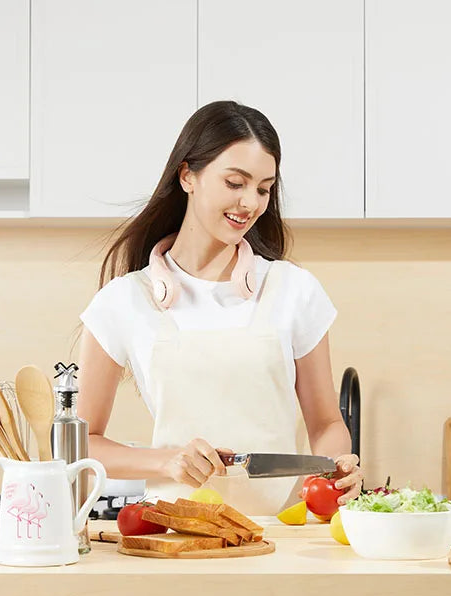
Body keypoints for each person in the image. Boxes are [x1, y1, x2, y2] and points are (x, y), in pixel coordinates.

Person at [77, 100, 362, 515]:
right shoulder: (122, 301)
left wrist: (335, 468)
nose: (250, 202)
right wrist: (166, 460)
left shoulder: (293, 290)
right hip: (175, 531)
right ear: (188, 175)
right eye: (235, 183)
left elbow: (326, 425)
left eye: (264, 189)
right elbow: (80, 444)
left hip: (280, 533)